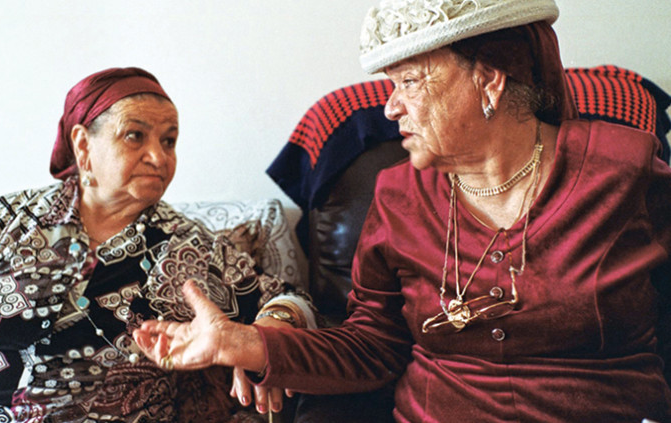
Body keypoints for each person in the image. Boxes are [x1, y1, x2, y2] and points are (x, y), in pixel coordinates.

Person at [132, 0, 671, 422]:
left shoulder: (623, 171)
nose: (390, 108)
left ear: (489, 79)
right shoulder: (399, 196)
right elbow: (372, 346)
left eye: (409, 81)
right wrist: (242, 342)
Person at [0, 67, 315, 423]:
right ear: (83, 145)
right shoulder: (7, 219)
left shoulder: (189, 246)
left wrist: (265, 337)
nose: (158, 156)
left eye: (169, 140)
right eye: (134, 135)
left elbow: (291, 299)